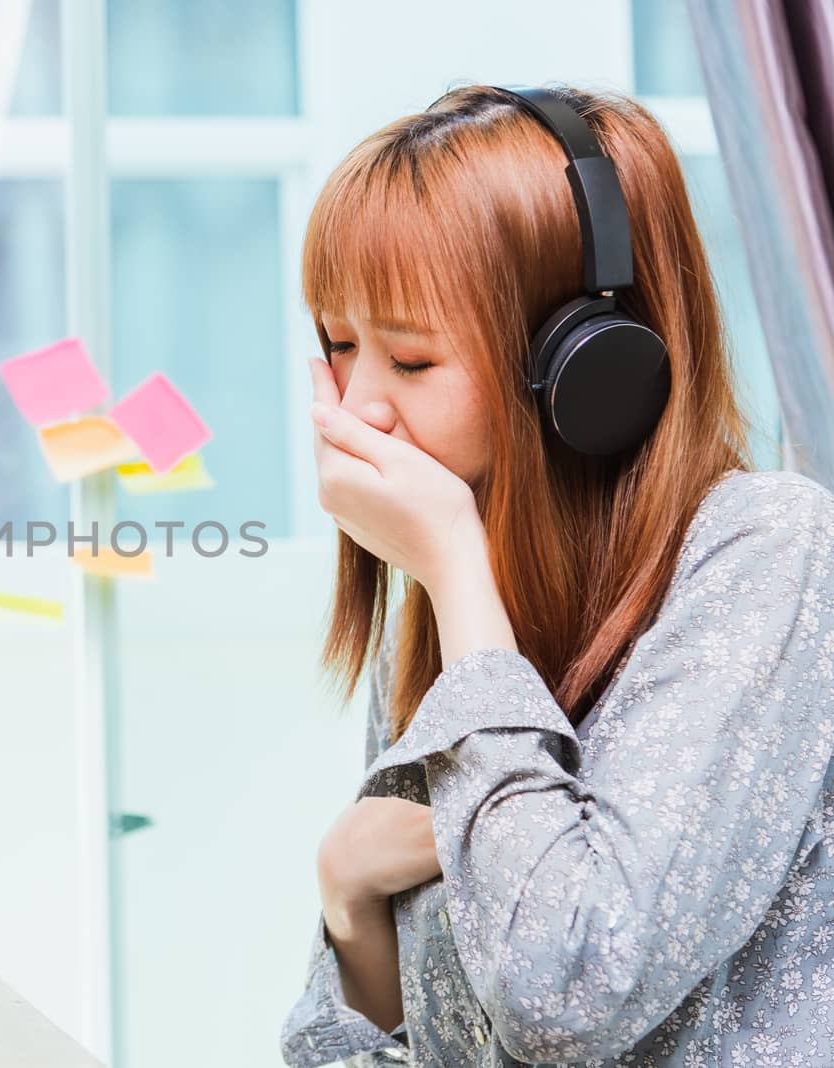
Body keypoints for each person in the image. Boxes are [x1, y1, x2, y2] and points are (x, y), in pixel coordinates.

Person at [279, 82, 834, 1066]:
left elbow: (564, 995)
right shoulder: (452, 588)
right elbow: (332, 1050)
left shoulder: (770, 554)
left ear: (585, 368)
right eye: (337, 347)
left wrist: (454, 573)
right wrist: (349, 896)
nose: (357, 409)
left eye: (409, 361)